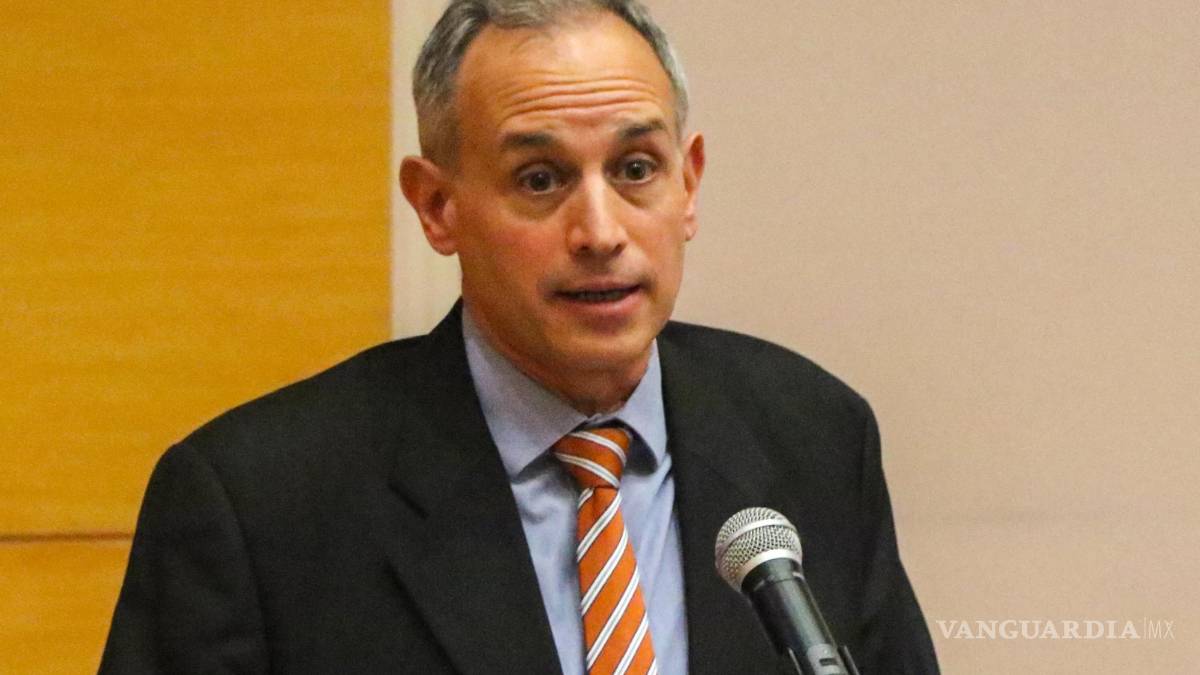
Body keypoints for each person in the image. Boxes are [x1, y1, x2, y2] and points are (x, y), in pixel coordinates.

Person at [101, 1, 939, 673]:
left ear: (689, 185)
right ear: (438, 206)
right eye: (540, 179)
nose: (600, 231)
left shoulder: (812, 436)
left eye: (636, 169)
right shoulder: (260, 504)